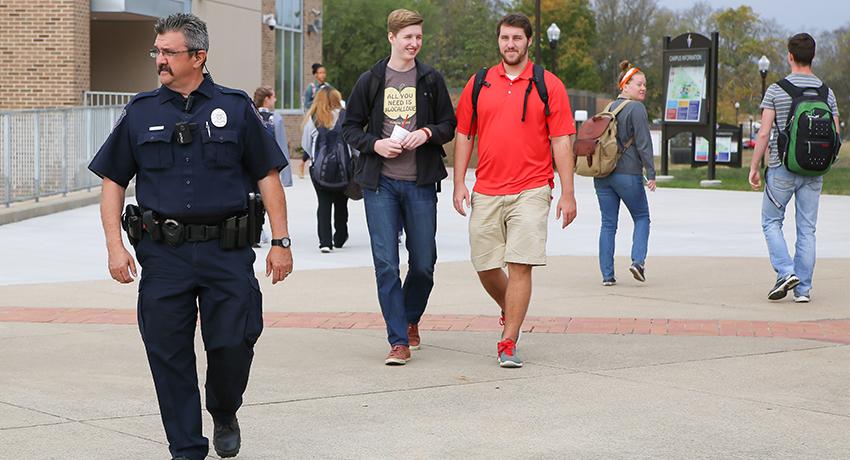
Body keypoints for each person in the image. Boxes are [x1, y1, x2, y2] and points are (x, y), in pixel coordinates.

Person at [88, 13, 293, 460]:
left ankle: (223, 407)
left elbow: (268, 175)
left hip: (227, 251)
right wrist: (114, 246)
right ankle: (186, 449)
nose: (159, 60)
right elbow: (112, 181)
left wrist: (281, 242)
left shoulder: (236, 107)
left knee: (234, 342)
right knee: (168, 356)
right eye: (156, 51)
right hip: (163, 256)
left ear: (198, 57)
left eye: (168, 52)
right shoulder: (141, 112)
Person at [453, 13, 577, 368]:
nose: (510, 44)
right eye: (505, 38)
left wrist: (567, 192)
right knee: (485, 263)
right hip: (487, 188)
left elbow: (561, 141)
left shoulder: (547, 84)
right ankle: (512, 310)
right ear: (498, 41)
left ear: (528, 42)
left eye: (517, 39)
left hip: (533, 188)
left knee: (520, 264)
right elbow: (464, 134)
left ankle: (508, 341)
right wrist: (460, 182)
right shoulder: (479, 83)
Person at [342, 8, 456, 365]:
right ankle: (398, 339)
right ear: (391, 37)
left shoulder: (431, 80)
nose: (414, 43)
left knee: (423, 262)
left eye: (418, 37)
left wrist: (426, 133)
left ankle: (410, 318)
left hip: (420, 183)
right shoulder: (371, 80)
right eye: (407, 37)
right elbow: (349, 127)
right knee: (387, 263)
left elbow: (449, 124)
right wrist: (375, 144)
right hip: (381, 185)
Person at [748, 33, 840, 303]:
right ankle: (803, 290)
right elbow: (834, 133)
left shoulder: (777, 90)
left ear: (790, 56)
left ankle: (786, 271)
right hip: (814, 171)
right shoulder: (826, 92)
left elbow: (764, 134)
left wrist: (754, 166)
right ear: (813, 56)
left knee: (771, 221)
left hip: (782, 167)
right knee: (807, 228)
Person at [593, 60, 656, 287]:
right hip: (627, 174)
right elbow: (643, 143)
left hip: (602, 175)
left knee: (608, 224)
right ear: (625, 85)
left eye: (645, 85)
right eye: (638, 84)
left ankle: (607, 275)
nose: (643, 88)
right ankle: (637, 262)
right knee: (642, 218)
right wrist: (651, 173)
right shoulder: (636, 108)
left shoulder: (608, 108)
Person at [301, 86, 350, 253]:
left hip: (319, 170)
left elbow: (306, 145)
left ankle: (325, 242)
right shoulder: (345, 116)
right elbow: (353, 143)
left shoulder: (313, 118)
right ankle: (340, 236)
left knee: (323, 203)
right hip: (344, 168)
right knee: (342, 202)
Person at [254, 86, 292, 246]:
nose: (275, 100)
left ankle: (255, 231)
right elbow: (282, 146)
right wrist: (286, 176)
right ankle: (259, 229)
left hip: (250, 165)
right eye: (273, 97)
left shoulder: (249, 113)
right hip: (268, 166)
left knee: (251, 198)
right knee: (266, 199)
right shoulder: (274, 118)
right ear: (266, 99)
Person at [300, 63, 331, 179]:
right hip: (314, 119)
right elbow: (306, 104)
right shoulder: (311, 88)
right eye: (320, 72)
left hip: (326, 119)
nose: (323, 75)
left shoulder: (328, 87)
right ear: (315, 74)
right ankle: (303, 164)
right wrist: (318, 103)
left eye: (324, 72)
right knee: (313, 140)